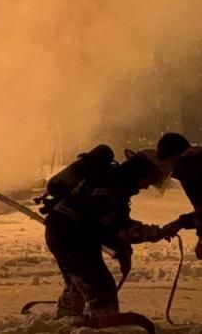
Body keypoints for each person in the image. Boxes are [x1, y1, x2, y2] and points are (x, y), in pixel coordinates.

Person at [44, 147, 169, 319]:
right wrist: (127, 237)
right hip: (71, 238)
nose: (147, 186)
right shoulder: (113, 185)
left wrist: (141, 233)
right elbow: (102, 222)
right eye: (149, 180)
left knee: (80, 284)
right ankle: (102, 322)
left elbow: (111, 222)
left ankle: (66, 319)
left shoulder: (114, 181)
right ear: (141, 173)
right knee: (101, 289)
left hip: (65, 233)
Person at [156, 132, 202, 260]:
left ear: (173, 156)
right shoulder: (197, 160)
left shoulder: (189, 167)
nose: (167, 168)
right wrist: (180, 223)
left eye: (166, 162)